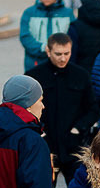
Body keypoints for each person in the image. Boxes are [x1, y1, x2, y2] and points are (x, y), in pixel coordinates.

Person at [30, 31, 96, 173]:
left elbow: (93, 108)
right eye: (58, 54)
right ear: (48, 51)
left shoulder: (81, 75)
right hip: (46, 145)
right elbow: (26, 110)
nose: (63, 58)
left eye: (67, 53)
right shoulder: (34, 76)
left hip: (74, 146)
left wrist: (78, 129)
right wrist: (40, 133)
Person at [20, 0, 74, 68]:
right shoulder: (29, 13)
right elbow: (25, 36)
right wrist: (42, 48)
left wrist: (58, 51)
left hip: (60, 62)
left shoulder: (67, 13)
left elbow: (72, 36)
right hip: (35, 62)